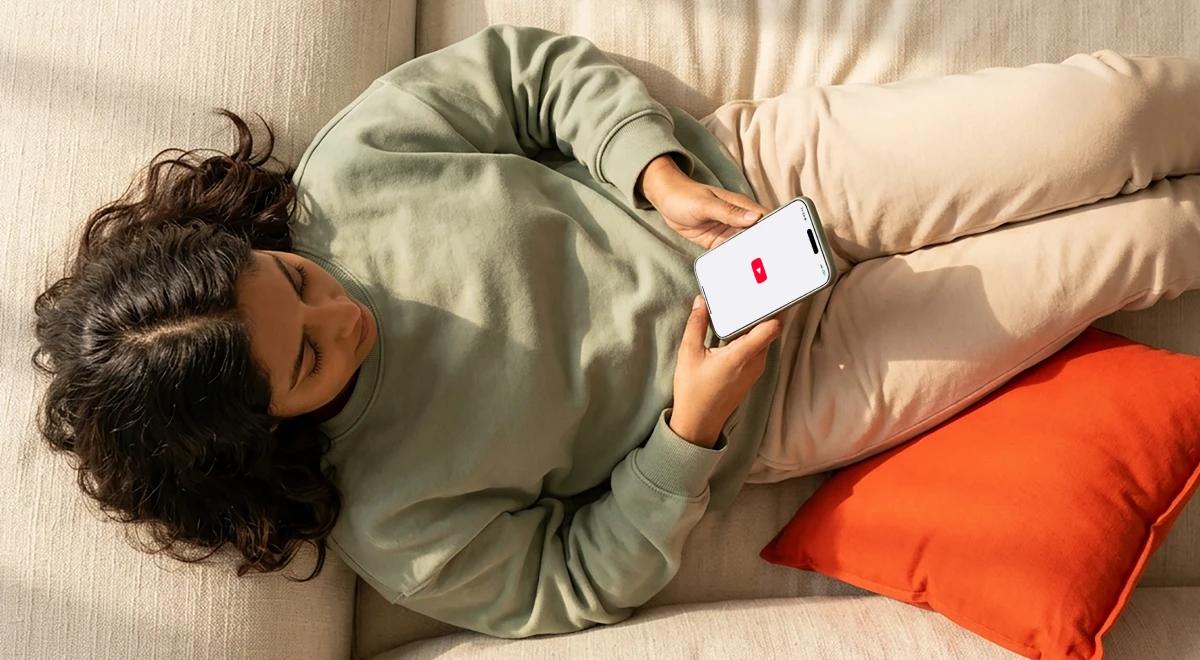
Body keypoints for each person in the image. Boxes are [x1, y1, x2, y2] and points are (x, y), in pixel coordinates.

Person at [30, 22, 1200, 640]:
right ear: (255, 438)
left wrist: (657, 178)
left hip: (773, 176)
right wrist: (692, 428)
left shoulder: (358, 170)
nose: (343, 311)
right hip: (790, 395)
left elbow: (528, 77)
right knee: (1142, 250)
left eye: (295, 277)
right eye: (309, 356)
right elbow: (572, 581)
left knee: (1119, 110)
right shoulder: (398, 526)